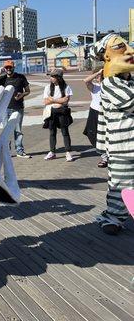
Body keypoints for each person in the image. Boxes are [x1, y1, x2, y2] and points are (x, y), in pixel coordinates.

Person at [93, 33, 134, 235]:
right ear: (107, 56)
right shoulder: (110, 83)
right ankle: (113, 216)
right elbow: (130, 103)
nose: (130, 51)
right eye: (120, 47)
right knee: (121, 185)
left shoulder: (130, 80)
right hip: (122, 146)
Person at [0, 60, 31, 158]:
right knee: (5, 131)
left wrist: (22, 95)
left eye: (10, 67)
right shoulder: (3, 79)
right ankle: (6, 151)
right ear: (4, 68)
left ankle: (19, 151)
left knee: (18, 130)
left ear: (13, 67)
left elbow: (28, 91)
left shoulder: (21, 77)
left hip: (18, 108)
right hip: (5, 109)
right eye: (6, 67)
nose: (8, 69)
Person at [43, 69, 74, 161]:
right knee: (52, 132)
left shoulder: (66, 87)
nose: (51, 78)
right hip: (51, 113)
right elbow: (45, 101)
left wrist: (52, 100)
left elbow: (66, 100)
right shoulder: (48, 87)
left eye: (53, 76)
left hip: (62, 113)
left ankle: (68, 152)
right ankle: (52, 152)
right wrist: (59, 100)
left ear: (59, 77)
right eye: (51, 76)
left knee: (65, 132)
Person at [82, 68, 108, 168]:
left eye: (98, 76)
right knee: (91, 134)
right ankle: (104, 155)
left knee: (106, 135)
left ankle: (108, 157)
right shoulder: (95, 87)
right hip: (94, 112)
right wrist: (98, 72)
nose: (97, 78)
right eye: (95, 76)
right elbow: (86, 81)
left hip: (105, 112)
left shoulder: (108, 86)